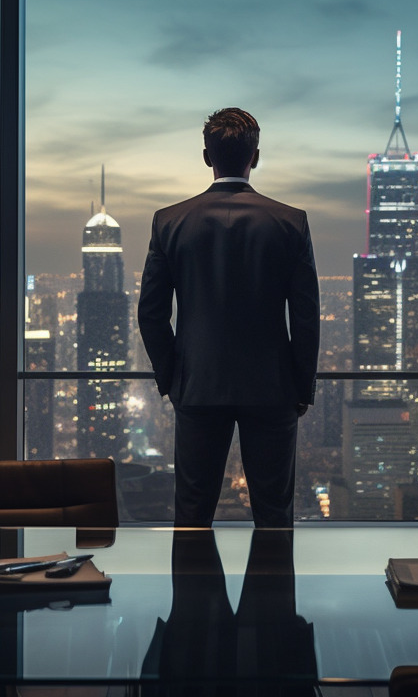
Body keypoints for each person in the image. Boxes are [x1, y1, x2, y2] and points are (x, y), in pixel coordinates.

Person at [137, 107, 321, 527]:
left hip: (198, 384)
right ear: (255, 157)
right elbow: (306, 316)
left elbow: (150, 313)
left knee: (192, 514)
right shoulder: (291, 223)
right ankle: (271, 592)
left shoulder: (170, 221)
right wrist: (301, 387)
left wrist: (174, 378)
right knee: (275, 515)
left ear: (207, 157)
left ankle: (193, 592)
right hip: (272, 386)